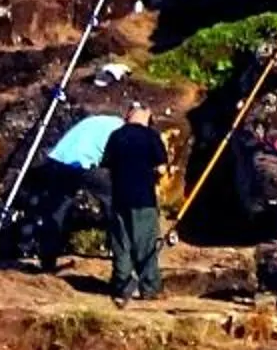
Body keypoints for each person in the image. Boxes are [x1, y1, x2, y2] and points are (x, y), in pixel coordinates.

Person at [21, 107, 124, 270]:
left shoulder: (96, 122)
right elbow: (116, 160)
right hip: (85, 162)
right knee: (115, 202)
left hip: (59, 160)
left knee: (56, 210)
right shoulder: (121, 129)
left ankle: (47, 259)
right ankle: (120, 256)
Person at [103, 101, 168, 303]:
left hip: (120, 197)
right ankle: (150, 287)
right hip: (143, 199)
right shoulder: (151, 137)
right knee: (145, 244)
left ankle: (121, 285)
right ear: (146, 116)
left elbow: (106, 163)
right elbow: (161, 168)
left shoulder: (116, 136)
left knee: (122, 244)